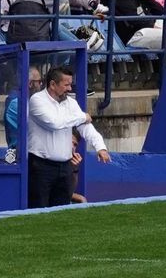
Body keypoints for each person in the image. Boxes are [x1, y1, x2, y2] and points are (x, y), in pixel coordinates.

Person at [27, 65, 109, 207]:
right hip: (41, 167)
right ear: (52, 84)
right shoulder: (37, 100)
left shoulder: (71, 103)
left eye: (70, 84)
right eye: (66, 85)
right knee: (38, 210)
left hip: (65, 167)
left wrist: (100, 147)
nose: (70, 89)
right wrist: (82, 117)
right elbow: (54, 123)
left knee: (62, 211)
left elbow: (86, 127)